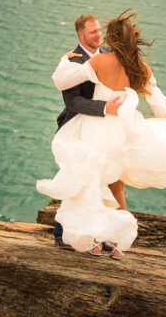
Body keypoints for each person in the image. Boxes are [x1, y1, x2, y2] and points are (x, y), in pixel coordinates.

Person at [37, 10, 166, 260]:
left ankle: (91, 239)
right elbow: (161, 105)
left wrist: (64, 60)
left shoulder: (100, 62)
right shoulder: (141, 67)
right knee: (114, 182)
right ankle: (116, 242)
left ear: (113, 39)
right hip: (123, 131)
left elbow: (61, 81)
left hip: (95, 128)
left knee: (89, 180)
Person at [52, 14, 124, 247]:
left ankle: (97, 234)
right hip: (76, 127)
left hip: (103, 129)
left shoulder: (108, 54)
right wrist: (106, 108)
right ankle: (61, 235)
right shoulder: (73, 61)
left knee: (102, 179)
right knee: (76, 179)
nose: (99, 34)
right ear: (80, 35)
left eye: (99, 30)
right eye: (93, 31)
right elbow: (72, 102)